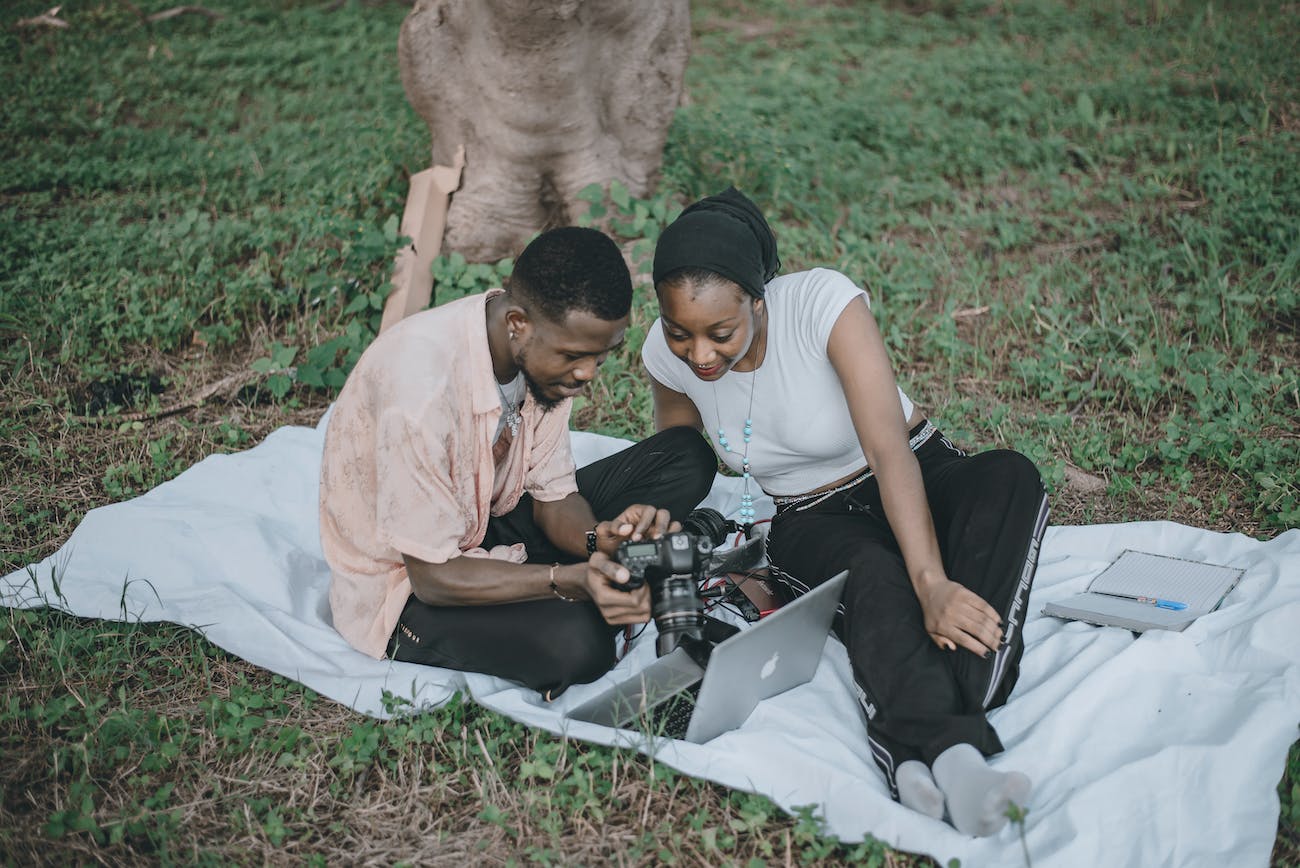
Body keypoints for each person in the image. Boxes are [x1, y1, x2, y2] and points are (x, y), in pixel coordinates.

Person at [641, 188, 1050, 837]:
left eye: (719, 332)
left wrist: (934, 585)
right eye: (678, 330)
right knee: (871, 569)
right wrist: (664, 532)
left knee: (1009, 479)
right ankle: (956, 756)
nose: (698, 354)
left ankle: (913, 736)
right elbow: (679, 465)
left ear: (759, 296)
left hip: (915, 466)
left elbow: (891, 453)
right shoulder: (665, 358)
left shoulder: (823, 305)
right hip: (813, 516)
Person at [320, 226, 716, 700]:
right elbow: (434, 577)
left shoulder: (543, 359)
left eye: (600, 356)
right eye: (574, 356)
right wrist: (564, 582)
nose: (587, 374)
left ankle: (600, 575)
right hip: (411, 585)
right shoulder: (420, 393)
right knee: (581, 643)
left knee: (685, 457)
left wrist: (597, 541)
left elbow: (554, 498)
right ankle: (589, 591)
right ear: (516, 324)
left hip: (486, 522)